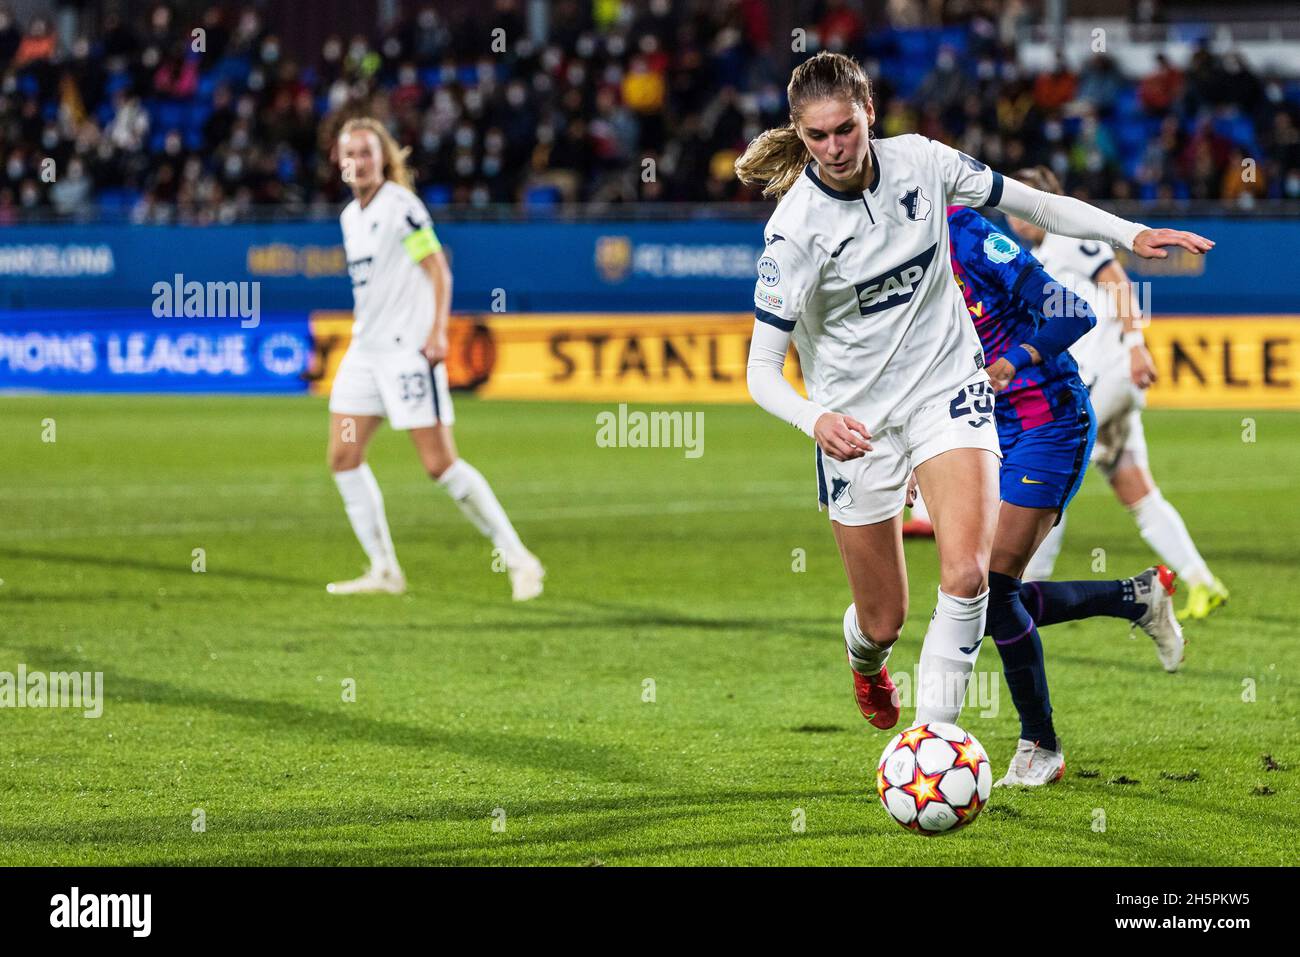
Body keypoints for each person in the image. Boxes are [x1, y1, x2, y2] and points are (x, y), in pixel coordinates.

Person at [734, 52, 1212, 733]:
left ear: (870, 113)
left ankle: (933, 742)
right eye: (817, 136)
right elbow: (760, 369)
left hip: (946, 393)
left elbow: (1036, 203)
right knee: (883, 619)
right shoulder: (793, 233)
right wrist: (814, 419)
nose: (834, 148)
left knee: (968, 579)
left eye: (845, 128)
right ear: (799, 134)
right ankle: (866, 663)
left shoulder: (924, 164)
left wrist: (1130, 232)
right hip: (856, 423)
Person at [944, 203, 1184, 785]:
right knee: (986, 595)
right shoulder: (883, 261)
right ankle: (1135, 597)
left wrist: (1014, 360)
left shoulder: (962, 232)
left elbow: (1073, 312)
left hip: (1047, 421)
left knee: (991, 591)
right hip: (983, 429)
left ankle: (1040, 746)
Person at [326, 116, 544, 600]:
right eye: (350, 154)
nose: (357, 162)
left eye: (366, 152)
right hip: (365, 352)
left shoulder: (401, 207)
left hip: (407, 351)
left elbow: (438, 271)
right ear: (339, 163)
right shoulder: (349, 217)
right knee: (343, 456)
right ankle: (384, 570)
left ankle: (518, 558)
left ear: (383, 158)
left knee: (439, 465)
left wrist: (437, 333)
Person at [1008, 166, 1227, 620]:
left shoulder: (1067, 240)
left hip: (1110, 374)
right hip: (1105, 382)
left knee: (1051, 464)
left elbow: (1118, 282)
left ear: (1044, 202)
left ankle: (1024, 591)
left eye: (1021, 202)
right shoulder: (1042, 254)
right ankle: (1203, 582)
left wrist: (1135, 345)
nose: (1013, 215)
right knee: (1136, 490)